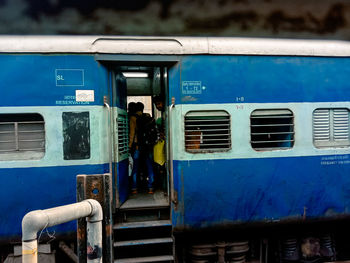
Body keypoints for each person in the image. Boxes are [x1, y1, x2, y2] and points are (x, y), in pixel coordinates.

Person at [128, 102, 140, 194]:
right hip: (140, 145)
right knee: (135, 166)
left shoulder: (132, 118)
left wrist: (129, 145)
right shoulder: (141, 117)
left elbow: (132, 133)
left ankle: (133, 187)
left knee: (133, 167)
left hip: (134, 146)